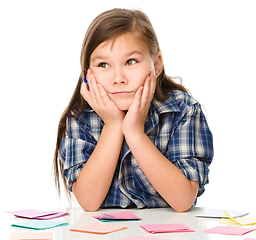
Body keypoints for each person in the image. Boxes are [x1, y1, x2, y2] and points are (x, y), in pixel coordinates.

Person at [53, 8, 213, 212]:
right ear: (88, 73)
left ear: (156, 64)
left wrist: (135, 132)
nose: (118, 78)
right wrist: (113, 126)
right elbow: (89, 201)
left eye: (131, 62)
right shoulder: (80, 117)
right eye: (103, 64)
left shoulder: (184, 111)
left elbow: (183, 201)